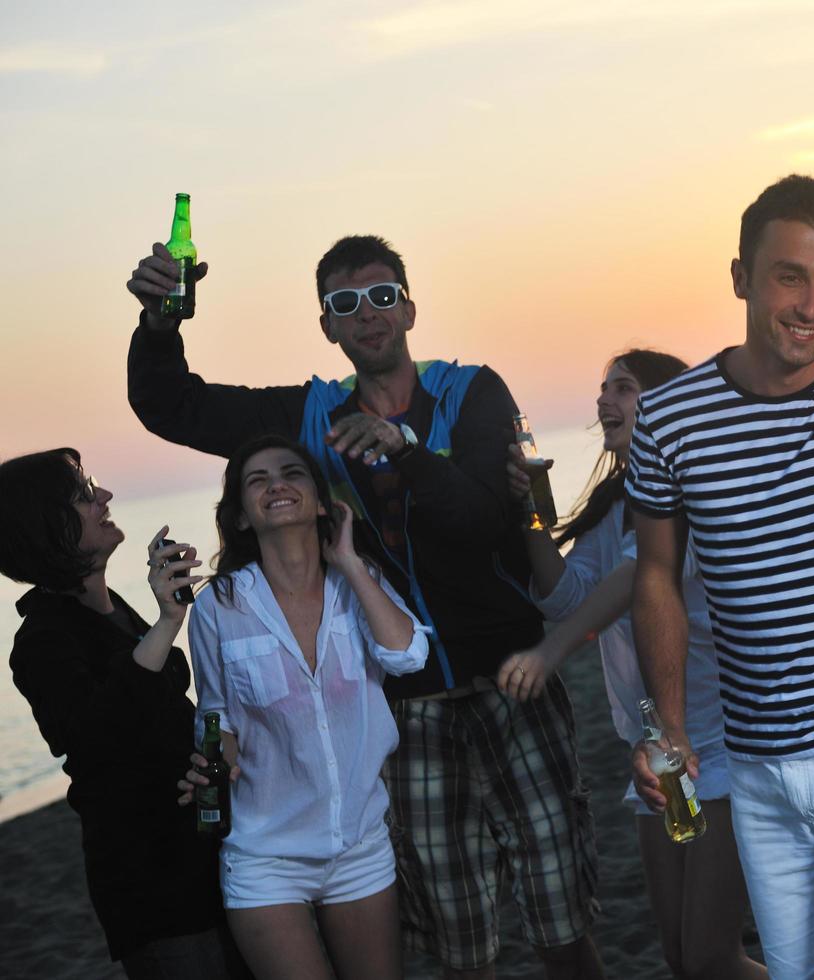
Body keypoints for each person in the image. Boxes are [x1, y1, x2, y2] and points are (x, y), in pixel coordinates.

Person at [125, 235, 604, 979]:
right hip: (408, 711)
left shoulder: (472, 391)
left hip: (516, 683)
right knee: (458, 936)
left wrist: (404, 450)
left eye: (382, 296)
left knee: (561, 914)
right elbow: (173, 406)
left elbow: (485, 521)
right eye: (345, 305)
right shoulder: (313, 415)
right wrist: (160, 326)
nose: (368, 315)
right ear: (327, 327)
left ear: (409, 307)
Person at [497, 349, 767, 980]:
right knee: (679, 956)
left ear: (667, 406)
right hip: (658, 755)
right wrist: (533, 507)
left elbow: (638, 577)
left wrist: (551, 651)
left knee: (709, 958)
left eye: (623, 387)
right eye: (603, 388)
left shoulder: (695, 488)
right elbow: (567, 594)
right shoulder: (617, 501)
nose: (604, 400)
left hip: (724, 747)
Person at [184, 435, 427, 979]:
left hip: (359, 845)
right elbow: (215, 713)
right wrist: (215, 757)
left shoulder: (359, 584)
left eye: (291, 473)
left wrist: (349, 561)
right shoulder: (218, 605)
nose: (276, 484)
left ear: (321, 501)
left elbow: (409, 655)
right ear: (242, 517)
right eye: (257, 480)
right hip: (264, 855)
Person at [2, 448, 246, 978]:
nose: (105, 498)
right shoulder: (41, 640)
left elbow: (165, 700)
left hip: (208, 849)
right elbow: (95, 733)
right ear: (48, 524)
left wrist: (217, 749)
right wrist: (166, 623)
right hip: (154, 878)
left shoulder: (111, 607)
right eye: (84, 494)